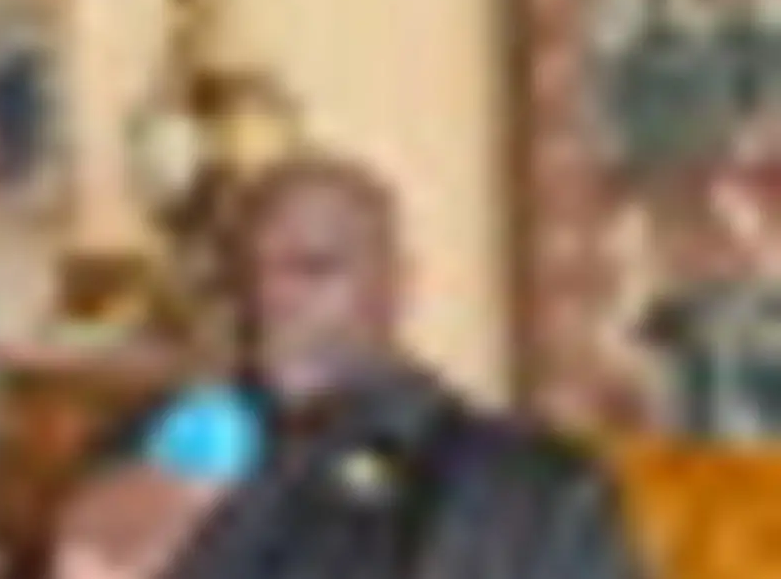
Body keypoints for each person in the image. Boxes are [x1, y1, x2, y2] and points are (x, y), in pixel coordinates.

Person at [60, 151, 646, 579]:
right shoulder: (149, 453)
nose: (272, 297)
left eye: (312, 268)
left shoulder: (533, 493)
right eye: (245, 273)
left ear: (398, 285)